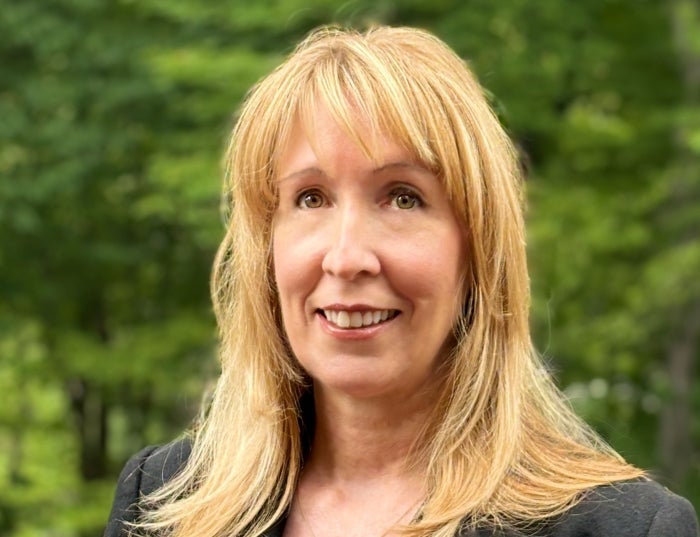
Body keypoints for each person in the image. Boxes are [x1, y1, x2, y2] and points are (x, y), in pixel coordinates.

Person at [104, 25, 698, 537]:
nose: (346, 257)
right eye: (310, 198)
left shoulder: (622, 527)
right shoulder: (163, 505)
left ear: (478, 250)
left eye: (403, 197)